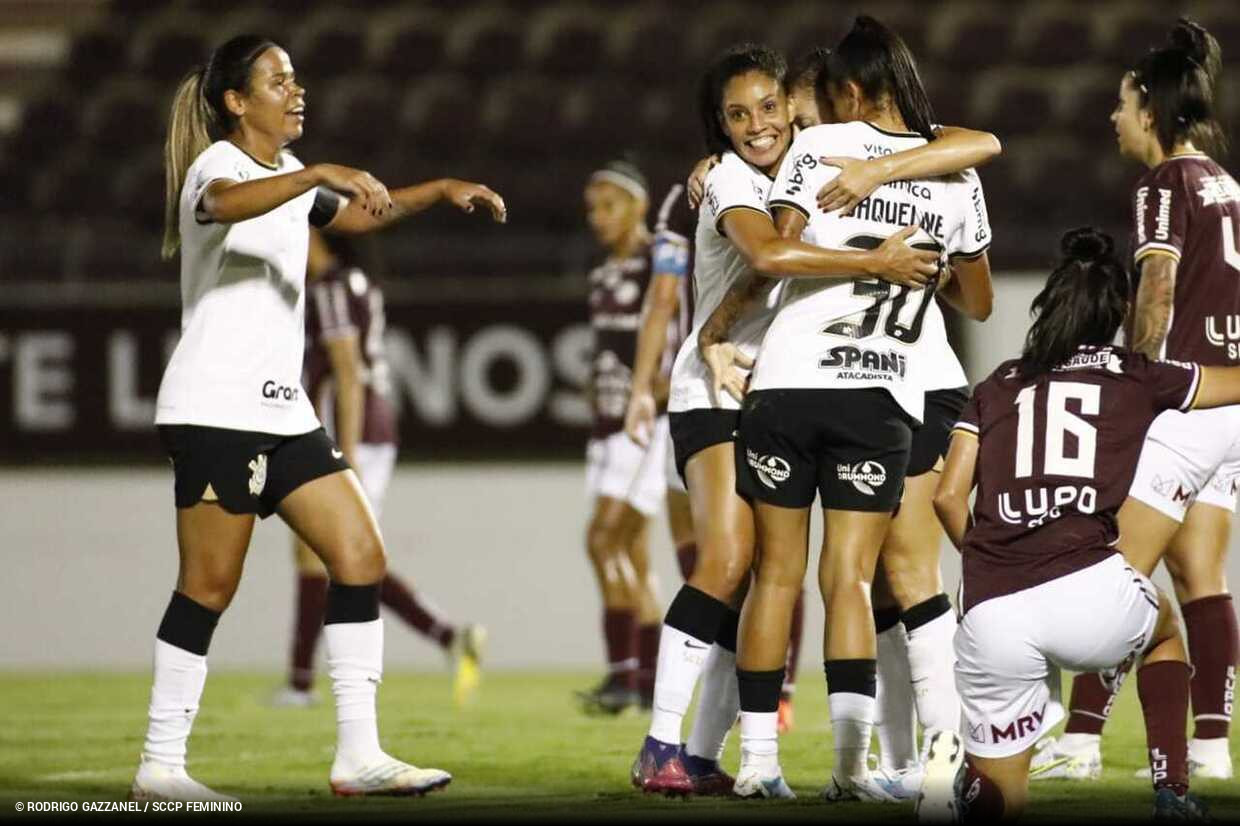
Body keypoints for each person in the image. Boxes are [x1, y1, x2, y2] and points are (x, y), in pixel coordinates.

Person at [134, 34, 505, 801]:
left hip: (281, 409)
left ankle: (358, 756)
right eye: (278, 81)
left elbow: (363, 216)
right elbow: (223, 206)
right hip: (213, 408)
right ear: (238, 102)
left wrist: (437, 189)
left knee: (360, 557)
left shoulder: (290, 181)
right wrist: (319, 172)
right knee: (208, 586)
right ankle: (160, 767)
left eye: (297, 78)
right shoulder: (222, 165)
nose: (295, 90)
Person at [630, 37, 999, 799]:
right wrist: (713, 331)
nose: (768, 124)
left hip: (795, 382)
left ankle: (724, 754)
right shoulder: (736, 174)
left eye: (779, 109)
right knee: (758, 567)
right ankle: (673, 742)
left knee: (812, 578)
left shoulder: (822, 160)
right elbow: (769, 256)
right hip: (728, 385)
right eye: (744, 114)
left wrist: (878, 171)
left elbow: (978, 142)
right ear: (721, 126)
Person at [924, 227, 1226, 821]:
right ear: (1116, 313)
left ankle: (963, 793)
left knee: (1004, 799)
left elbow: (947, 497)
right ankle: (1173, 794)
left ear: (1049, 304)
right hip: (1090, 596)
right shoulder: (1135, 374)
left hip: (992, 610)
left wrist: (990, 555)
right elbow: (1229, 388)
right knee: (1164, 627)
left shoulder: (998, 384)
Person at [1032, 18, 1237, 784]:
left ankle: (1082, 738)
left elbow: (1156, 288)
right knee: (1200, 572)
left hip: (1185, 400)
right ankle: (1213, 746)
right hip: (1232, 398)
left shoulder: (1166, 183)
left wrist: (1133, 382)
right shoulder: (1226, 182)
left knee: (1110, 567)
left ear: (1150, 109)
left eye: (1121, 104)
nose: (1113, 118)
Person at [273, 229, 485, 710]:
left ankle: (300, 684)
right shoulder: (356, 281)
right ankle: (450, 637)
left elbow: (347, 374)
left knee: (321, 553)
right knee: (342, 553)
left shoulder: (328, 286)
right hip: (374, 427)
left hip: (353, 428)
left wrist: (341, 455)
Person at [577, 158, 667, 715]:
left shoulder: (659, 265)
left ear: (638, 205)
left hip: (644, 424)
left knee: (602, 538)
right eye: (593, 209)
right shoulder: (604, 273)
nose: (598, 218)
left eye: (609, 205)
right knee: (632, 552)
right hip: (606, 424)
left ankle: (621, 674)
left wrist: (652, 392)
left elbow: (673, 334)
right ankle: (648, 680)